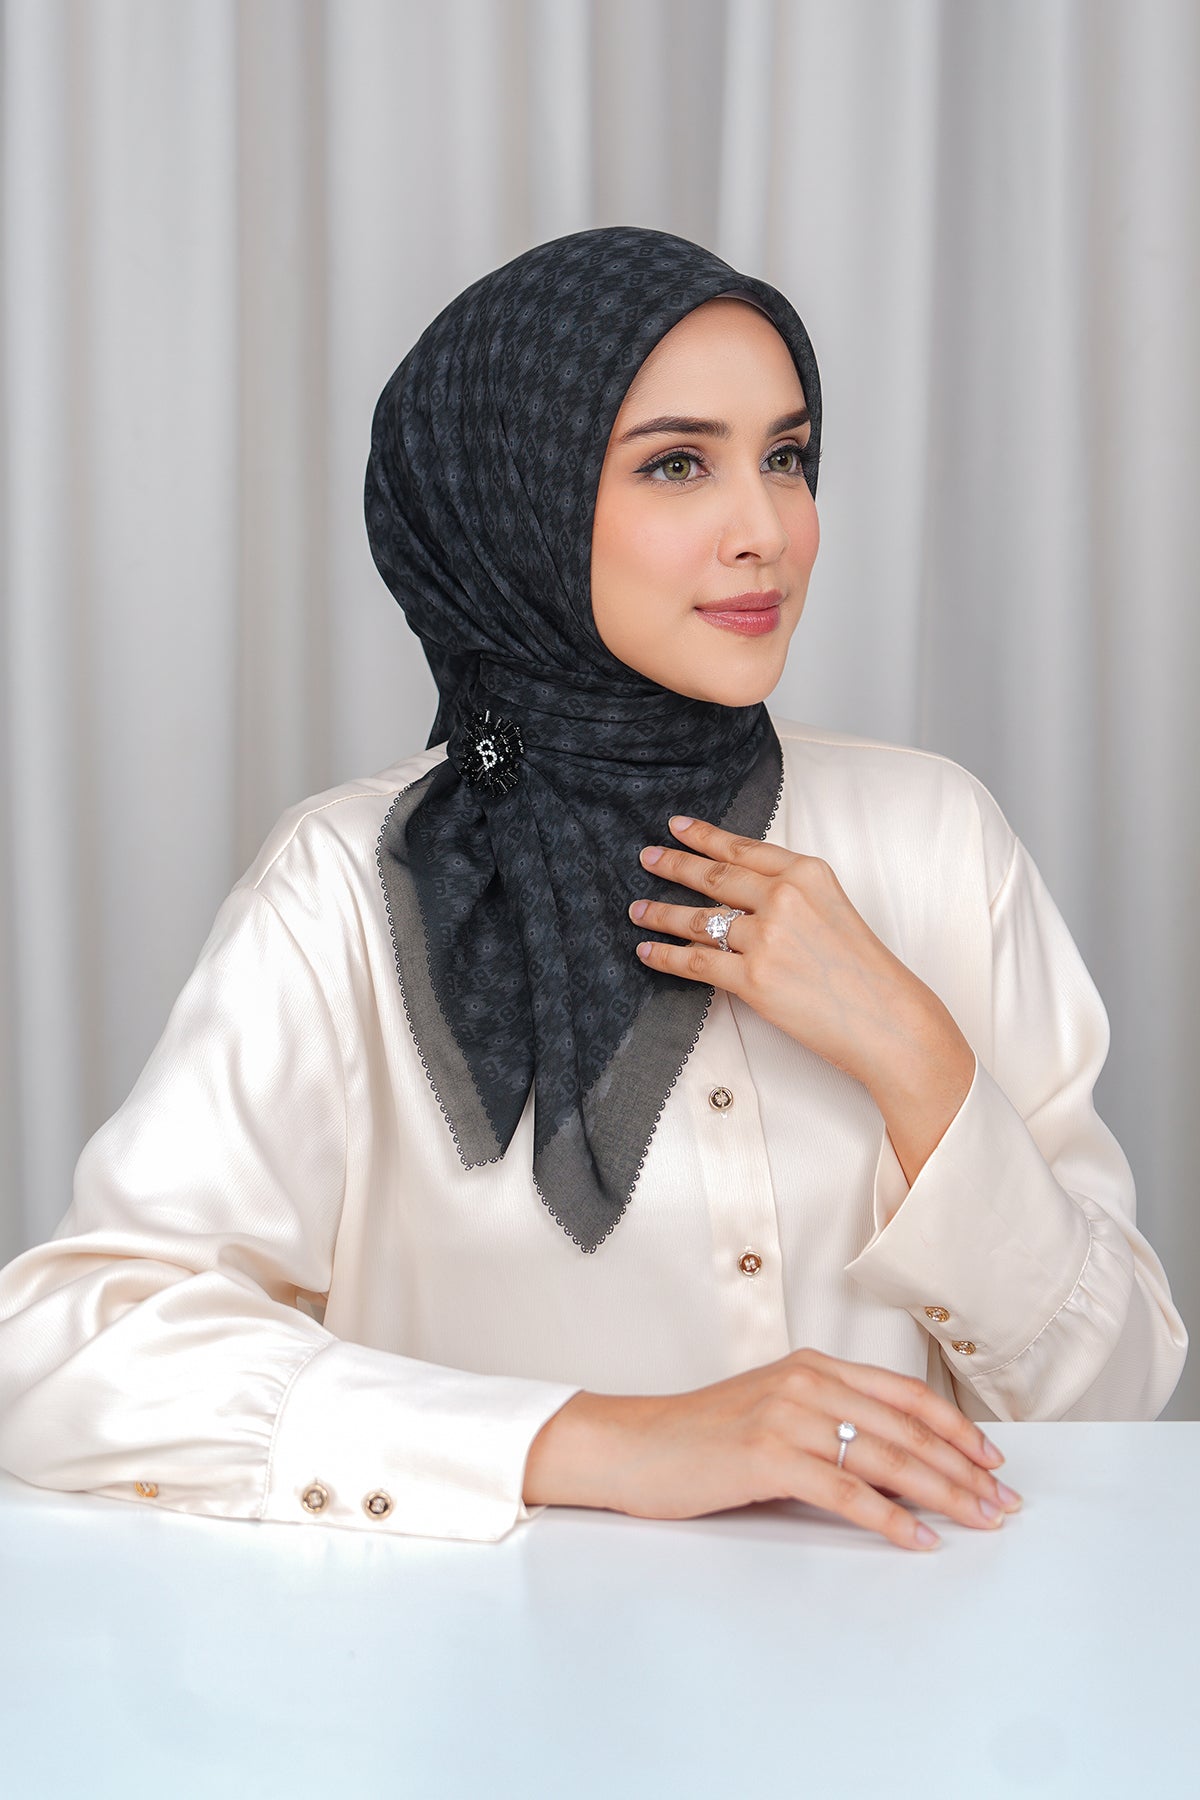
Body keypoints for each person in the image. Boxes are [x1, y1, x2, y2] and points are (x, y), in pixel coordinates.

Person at [0, 227, 1186, 1556]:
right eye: (678, 464)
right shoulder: (347, 888)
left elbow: (1117, 1394)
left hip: (912, 1655)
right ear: (518, 499)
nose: (767, 531)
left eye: (787, 457)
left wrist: (914, 1054)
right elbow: (71, 1352)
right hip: (496, 1672)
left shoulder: (936, 839)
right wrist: (602, 1442)